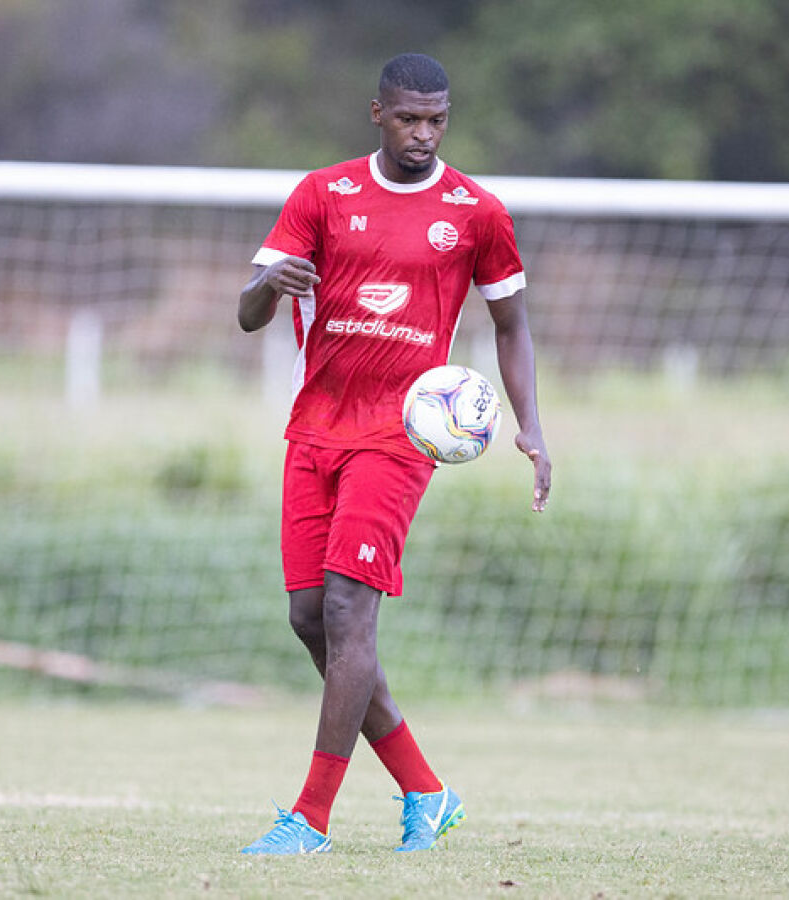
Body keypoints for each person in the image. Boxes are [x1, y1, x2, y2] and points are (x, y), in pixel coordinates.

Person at [236, 53, 551, 854]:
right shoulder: (322, 193)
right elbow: (246, 315)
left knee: (348, 611)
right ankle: (425, 789)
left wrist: (531, 426)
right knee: (309, 619)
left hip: (403, 432)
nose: (424, 133)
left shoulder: (475, 211)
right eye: (409, 118)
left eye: (437, 119)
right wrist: (272, 286)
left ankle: (309, 818)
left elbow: (511, 327)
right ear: (376, 112)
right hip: (315, 426)